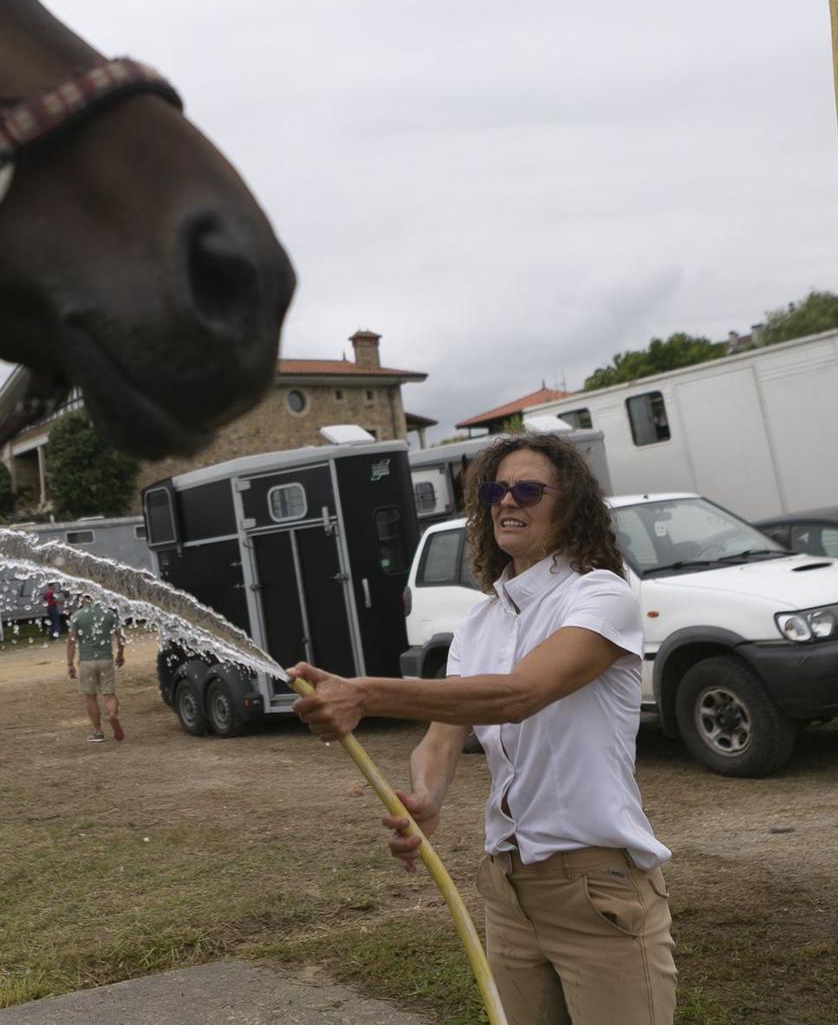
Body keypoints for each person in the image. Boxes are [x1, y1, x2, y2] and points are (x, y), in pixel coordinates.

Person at [289, 433, 675, 1024]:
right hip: (507, 885)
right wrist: (427, 795)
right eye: (495, 489)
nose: (505, 501)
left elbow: (521, 694)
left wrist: (366, 692)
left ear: (570, 503)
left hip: (598, 889)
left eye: (528, 489)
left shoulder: (600, 595)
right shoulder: (481, 619)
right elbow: (444, 734)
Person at [66, 595, 125, 743]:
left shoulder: (77, 616)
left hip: (86, 662)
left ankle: (98, 732)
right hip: (106, 659)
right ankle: (112, 715)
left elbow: (71, 642)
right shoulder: (109, 613)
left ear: (82, 599)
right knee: (109, 694)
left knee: (90, 696)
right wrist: (120, 654)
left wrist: (70, 664)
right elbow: (120, 638)